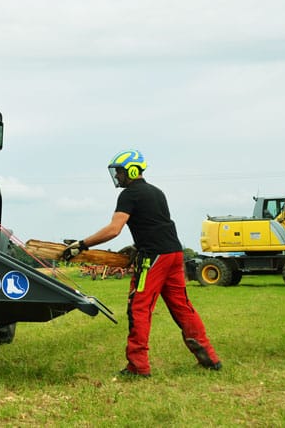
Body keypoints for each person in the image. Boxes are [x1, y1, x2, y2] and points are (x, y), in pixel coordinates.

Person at [63, 150, 222, 378]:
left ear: (132, 170)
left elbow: (114, 229)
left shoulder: (129, 195)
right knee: (183, 307)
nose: (117, 176)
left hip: (154, 258)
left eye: (119, 171)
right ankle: (210, 359)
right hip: (174, 254)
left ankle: (138, 367)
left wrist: (82, 244)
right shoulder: (157, 193)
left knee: (139, 307)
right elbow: (155, 225)